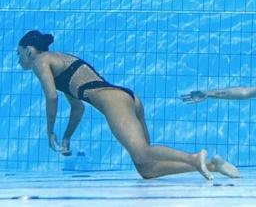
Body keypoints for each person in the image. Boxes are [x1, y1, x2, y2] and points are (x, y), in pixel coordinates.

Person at [17, 30, 239, 180]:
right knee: (147, 168)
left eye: (19, 55)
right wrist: (66, 137)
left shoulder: (41, 60)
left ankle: (194, 157)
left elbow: (51, 97)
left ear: (28, 50)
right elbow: (78, 108)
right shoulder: (60, 61)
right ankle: (210, 165)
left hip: (113, 100)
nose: (20, 61)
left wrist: (49, 132)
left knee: (143, 151)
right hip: (127, 98)